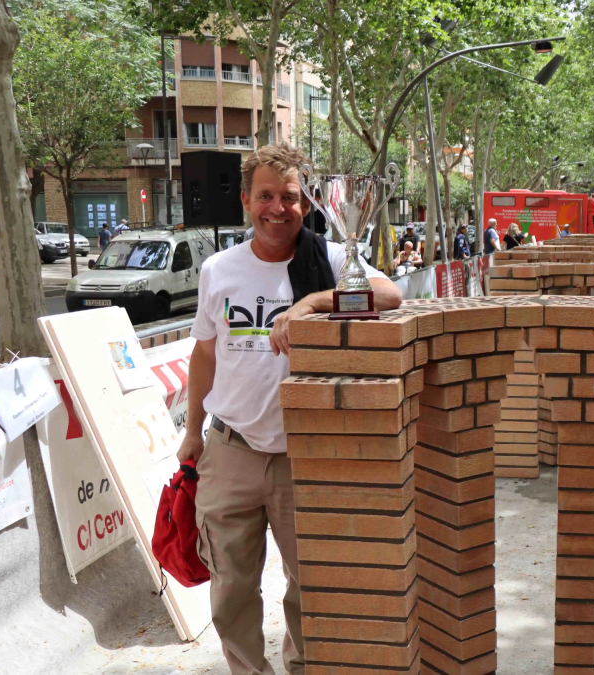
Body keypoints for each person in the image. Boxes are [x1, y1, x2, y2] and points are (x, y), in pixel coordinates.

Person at [177, 143, 401, 675]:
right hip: (230, 450)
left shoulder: (329, 258)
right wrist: (191, 432)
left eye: (291, 197)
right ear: (246, 201)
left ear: (309, 203)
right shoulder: (218, 269)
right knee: (231, 590)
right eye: (266, 196)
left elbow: (389, 296)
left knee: (310, 583)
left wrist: (312, 302)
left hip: (306, 452)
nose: (278, 208)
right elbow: (204, 355)